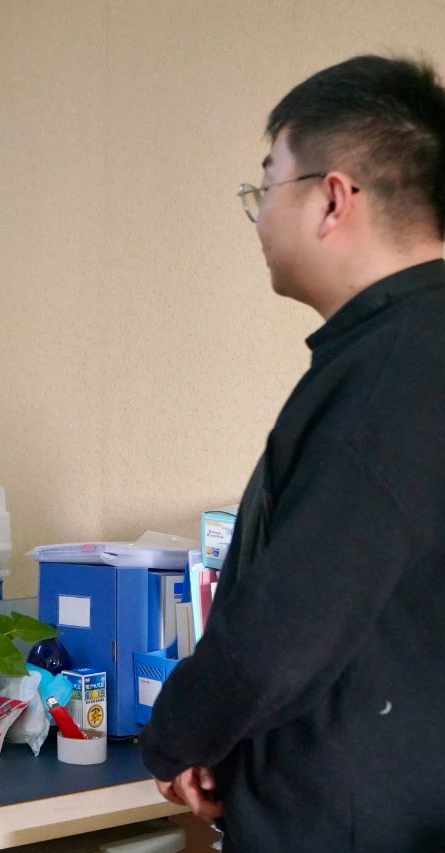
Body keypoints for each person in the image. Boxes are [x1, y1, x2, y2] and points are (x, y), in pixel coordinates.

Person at [141, 55, 445, 851]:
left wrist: (179, 733)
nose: (258, 216)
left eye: (266, 184)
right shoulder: (405, 349)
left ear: (333, 198)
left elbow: (287, 626)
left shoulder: (393, 370)